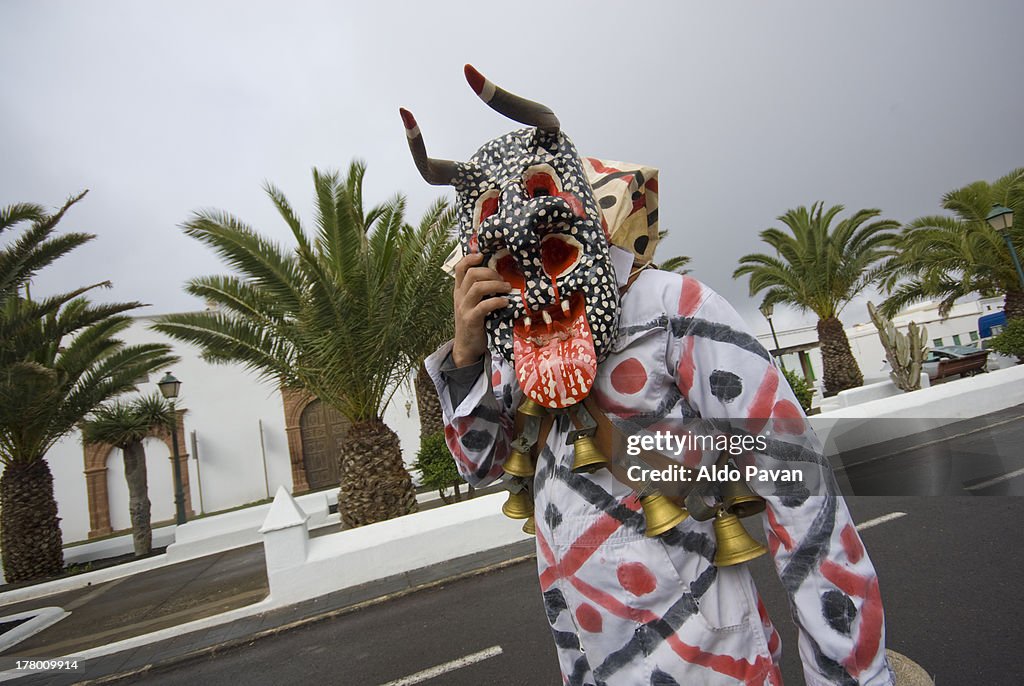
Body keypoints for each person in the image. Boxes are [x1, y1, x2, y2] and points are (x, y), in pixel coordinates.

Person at [402, 65, 896, 686]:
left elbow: (795, 486)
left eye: (550, 243)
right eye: (503, 256)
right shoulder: (514, 338)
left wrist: (852, 676)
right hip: (585, 655)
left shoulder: (673, 310)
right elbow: (482, 466)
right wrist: (467, 356)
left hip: (710, 657)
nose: (530, 273)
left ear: (579, 211)